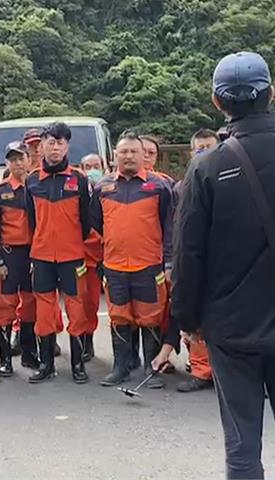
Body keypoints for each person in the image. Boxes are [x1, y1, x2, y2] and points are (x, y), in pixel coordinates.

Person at [173, 51, 275, 479]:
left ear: (217, 101)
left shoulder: (207, 167)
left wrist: (188, 319)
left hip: (230, 326)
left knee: (243, 448)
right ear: (272, 93)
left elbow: (189, 254)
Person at [90, 133, 174, 388]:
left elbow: (169, 227)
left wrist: (168, 262)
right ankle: (121, 366)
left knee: (151, 317)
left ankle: (151, 368)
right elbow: (96, 223)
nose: (128, 156)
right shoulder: (102, 187)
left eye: (133, 152)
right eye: (123, 152)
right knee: (119, 316)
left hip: (149, 265)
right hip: (114, 266)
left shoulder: (159, 187)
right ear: (115, 155)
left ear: (142, 155)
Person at [153, 127, 220, 394]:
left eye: (210, 147)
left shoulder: (232, 181)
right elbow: (173, 229)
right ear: (192, 153)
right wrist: (172, 261)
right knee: (196, 311)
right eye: (199, 148)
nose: (204, 152)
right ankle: (202, 369)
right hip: (195, 258)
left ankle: (232, 369)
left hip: (225, 260)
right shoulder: (180, 188)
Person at [25, 122, 93, 383]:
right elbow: (31, 221)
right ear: (42, 145)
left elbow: (86, 221)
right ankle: (46, 364)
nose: (55, 148)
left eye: (61, 143)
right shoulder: (32, 180)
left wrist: (74, 245)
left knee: (76, 310)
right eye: (51, 142)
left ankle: (78, 364)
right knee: (44, 312)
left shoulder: (79, 179)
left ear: (67, 146)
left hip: (72, 256)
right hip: (41, 256)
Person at [0, 142, 37, 375]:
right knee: (5, 307)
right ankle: (5, 358)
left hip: (33, 255)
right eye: (13, 159)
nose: (18, 163)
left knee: (30, 305)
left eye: (22, 158)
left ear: (30, 159)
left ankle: (29, 354)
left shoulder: (38, 187)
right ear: (7, 162)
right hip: (8, 256)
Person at [80, 153, 106, 361]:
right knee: (77, 302)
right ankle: (79, 339)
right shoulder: (77, 191)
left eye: (96, 166)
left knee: (92, 303)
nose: (92, 170)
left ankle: (89, 339)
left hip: (100, 256)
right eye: (88, 166)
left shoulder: (109, 191)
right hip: (78, 255)